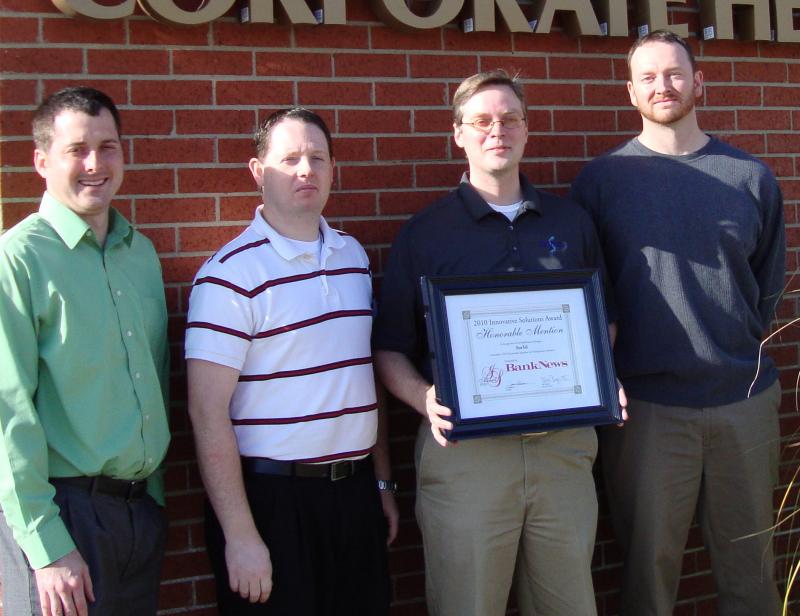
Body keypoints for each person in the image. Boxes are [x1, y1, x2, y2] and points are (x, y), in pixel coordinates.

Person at [372, 70, 620, 616]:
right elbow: (389, 347)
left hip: (562, 449)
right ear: (458, 134)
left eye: (510, 119)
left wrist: (600, 374)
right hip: (467, 456)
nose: (497, 131)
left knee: (567, 604)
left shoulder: (571, 222)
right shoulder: (425, 232)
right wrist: (424, 400)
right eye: (481, 121)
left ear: (527, 129)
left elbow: (603, 320)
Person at [570, 30, 785, 616]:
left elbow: (766, 290)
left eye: (674, 73)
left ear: (698, 82)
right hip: (646, 411)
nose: (662, 86)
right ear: (631, 92)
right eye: (648, 77)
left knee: (751, 575)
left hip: (743, 401)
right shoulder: (601, 182)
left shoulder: (750, 177)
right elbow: (591, 295)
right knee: (648, 578)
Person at [185, 107, 398, 615]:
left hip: (354, 496)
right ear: (258, 172)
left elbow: (362, 379)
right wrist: (240, 536)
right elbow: (206, 413)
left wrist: (382, 483)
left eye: (317, 158)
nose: (306, 170)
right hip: (271, 502)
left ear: (332, 170)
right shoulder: (228, 276)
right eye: (290, 159)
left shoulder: (353, 258)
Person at [0, 86, 171, 616]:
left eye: (108, 147)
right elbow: (7, 415)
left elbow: (155, 378)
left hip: (137, 514)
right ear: (42, 161)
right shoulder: (17, 260)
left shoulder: (139, 254)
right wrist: (47, 547)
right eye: (77, 150)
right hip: (63, 517)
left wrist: (152, 500)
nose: (95, 164)